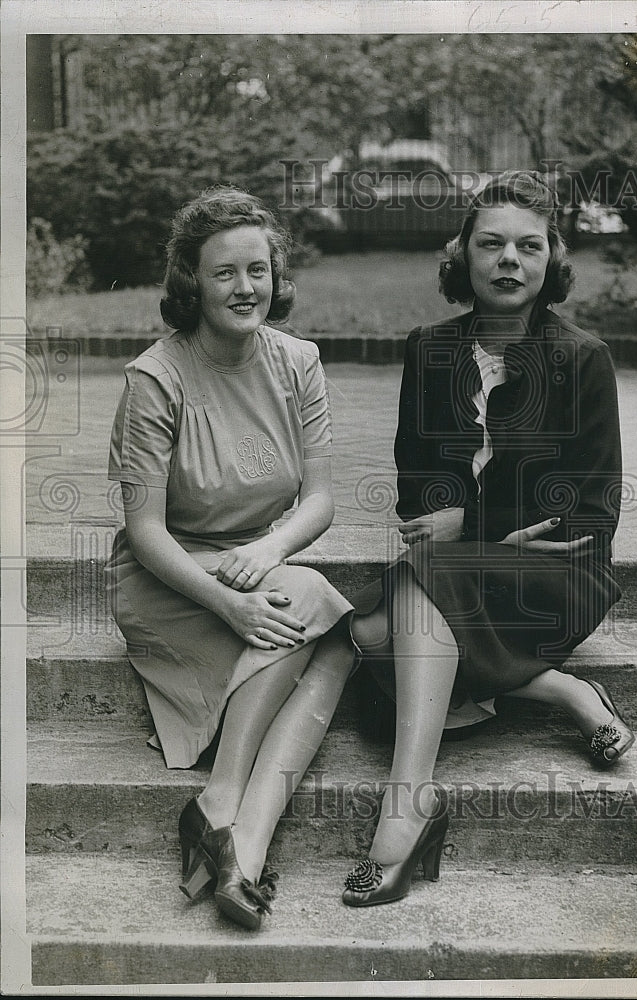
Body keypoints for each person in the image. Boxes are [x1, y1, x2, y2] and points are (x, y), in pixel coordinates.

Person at [342, 170, 634, 908]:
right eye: (492, 244)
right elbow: (417, 484)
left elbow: (589, 507)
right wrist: (464, 527)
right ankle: (563, 690)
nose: (510, 259)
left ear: (549, 260)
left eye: (528, 246)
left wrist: (472, 524)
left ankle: (405, 806)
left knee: (395, 615)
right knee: (369, 632)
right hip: (457, 567)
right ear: (463, 257)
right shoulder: (428, 349)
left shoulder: (581, 358)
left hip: (558, 573)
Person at [105, 186, 354, 931]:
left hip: (254, 560)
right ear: (191, 283)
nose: (246, 288)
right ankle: (223, 810)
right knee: (308, 608)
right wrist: (228, 601)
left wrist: (267, 549)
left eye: (258, 270)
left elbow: (319, 501)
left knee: (333, 629)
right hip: (169, 576)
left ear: (277, 277)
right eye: (224, 273)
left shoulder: (298, 362)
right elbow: (145, 532)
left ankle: (238, 831)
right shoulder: (155, 377)